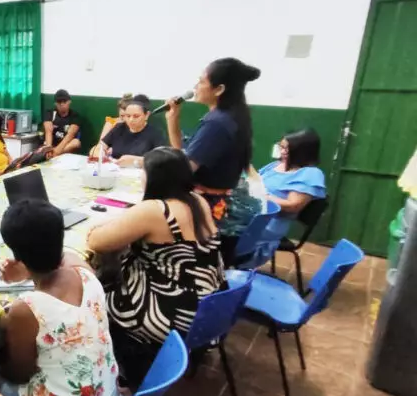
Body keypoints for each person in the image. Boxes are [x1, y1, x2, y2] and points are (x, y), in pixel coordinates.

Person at [86, 147, 225, 385]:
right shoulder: (198, 200)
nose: (141, 175)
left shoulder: (154, 210)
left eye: (143, 170)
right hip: (208, 305)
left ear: (156, 177)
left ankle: (113, 365)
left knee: (92, 292)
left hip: (172, 313)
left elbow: (96, 242)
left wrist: (105, 227)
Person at [0, 199, 122, 396]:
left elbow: (21, 373)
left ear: (16, 254)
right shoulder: (86, 273)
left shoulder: (27, 308)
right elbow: (68, 259)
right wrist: (29, 270)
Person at [165, 57, 262, 263]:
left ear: (219, 89)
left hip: (217, 216)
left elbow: (184, 169)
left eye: (201, 82)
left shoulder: (217, 123)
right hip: (224, 208)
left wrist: (150, 169)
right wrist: (173, 119)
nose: (196, 87)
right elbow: (183, 155)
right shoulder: (231, 115)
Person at [258, 129, 326, 234]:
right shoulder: (275, 165)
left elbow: (292, 206)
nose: (283, 152)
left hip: (270, 224)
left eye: (288, 149)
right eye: (281, 147)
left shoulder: (311, 174)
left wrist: (261, 196)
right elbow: (254, 181)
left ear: (303, 152)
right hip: (253, 213)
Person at [100, 94, 166, 166]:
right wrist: (101, 153)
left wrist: (136, 161)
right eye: (128, 116)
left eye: (136, 116)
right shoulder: (119, 128)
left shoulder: (155, 133)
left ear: (146, 115)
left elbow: (161, 159)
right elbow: (100, 147)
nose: (131, 120)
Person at [43, 89, 81, 156]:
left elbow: (70, 135)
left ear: (69, 102)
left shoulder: (75, 116)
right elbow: (48, 131)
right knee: (45, 145)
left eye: (64, 101)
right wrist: (49, 149)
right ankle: (50, 153)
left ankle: (54, 154)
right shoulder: (50, 113)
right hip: (52, 144)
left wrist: (56, 151)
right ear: (55, 103)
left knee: (76, 142)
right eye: (59, 102)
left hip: (65, 145)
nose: (62, 104)